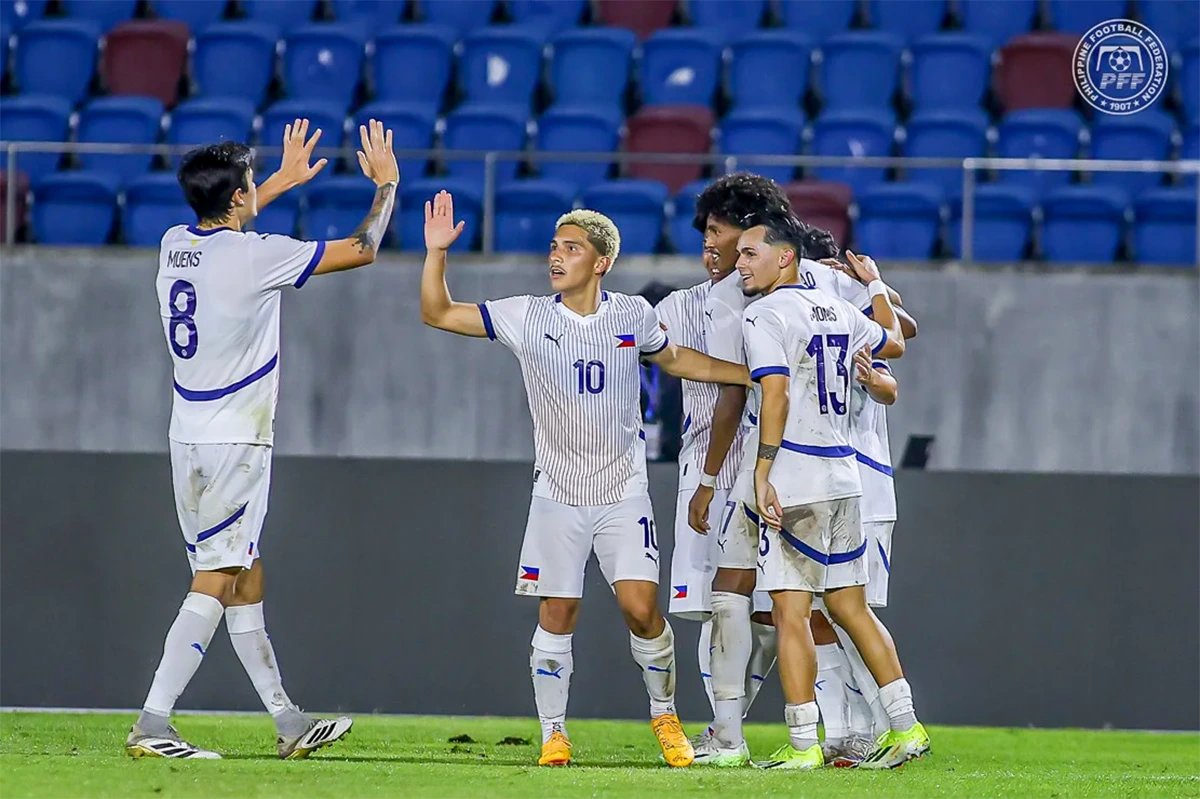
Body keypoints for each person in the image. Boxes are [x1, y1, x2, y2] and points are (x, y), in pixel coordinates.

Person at [419, 191, 750, 768]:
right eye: (553, 246)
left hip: (623, 492)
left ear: (601, 262)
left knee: (643, 609)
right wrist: (435, 253)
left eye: (571, 248)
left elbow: (674, 360)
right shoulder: (528, 314)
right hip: (557, 494)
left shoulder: (632, 315)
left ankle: (666, 718)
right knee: (558, 612)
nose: (556, 256)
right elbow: (438, 312)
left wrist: (746, 374)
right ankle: (553, 733)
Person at [128, 119, 399, 760]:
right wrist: (386, 187)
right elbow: (362, 248)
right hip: (236, 441)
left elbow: (225, 230)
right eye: (251, 183)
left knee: (246, 574)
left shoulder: (174, 243)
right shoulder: (257, 256)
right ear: (237, 198)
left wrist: (274, 181)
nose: (257, 189)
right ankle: (153, 721)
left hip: (188, 436)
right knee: (218, 577)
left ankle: (287, 720)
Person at [732, 213, 930, 770]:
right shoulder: (841, 310)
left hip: (796, 478)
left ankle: (803, 746)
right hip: (846, 478)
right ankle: (907, 726)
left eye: (750, 254)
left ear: (785, 256)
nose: (740, 264)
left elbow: (775, 395)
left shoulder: (764, 313)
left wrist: (762, 470)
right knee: (852, 608)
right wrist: (873, 289)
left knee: (790, 612)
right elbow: (894, 341)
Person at [655, 174, 792, 767]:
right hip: (704, 462)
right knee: (716, 605)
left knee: (775, 605)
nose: (709, 246)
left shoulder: (784, 302)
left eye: (720, 232)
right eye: (705, 234)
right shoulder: (678, 306)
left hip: (768, 467)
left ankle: (728, 726)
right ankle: (725, 726)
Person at [801, 230, 922, 766]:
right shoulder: (822, 312)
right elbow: (907, 324)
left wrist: (871, 284)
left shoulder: (849, 311)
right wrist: (876, 288)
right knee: (824, 613)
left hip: (864, 482)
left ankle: (890, 726)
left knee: (855, 611)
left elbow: (896, 361)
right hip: (828, 480)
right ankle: (850, 732)